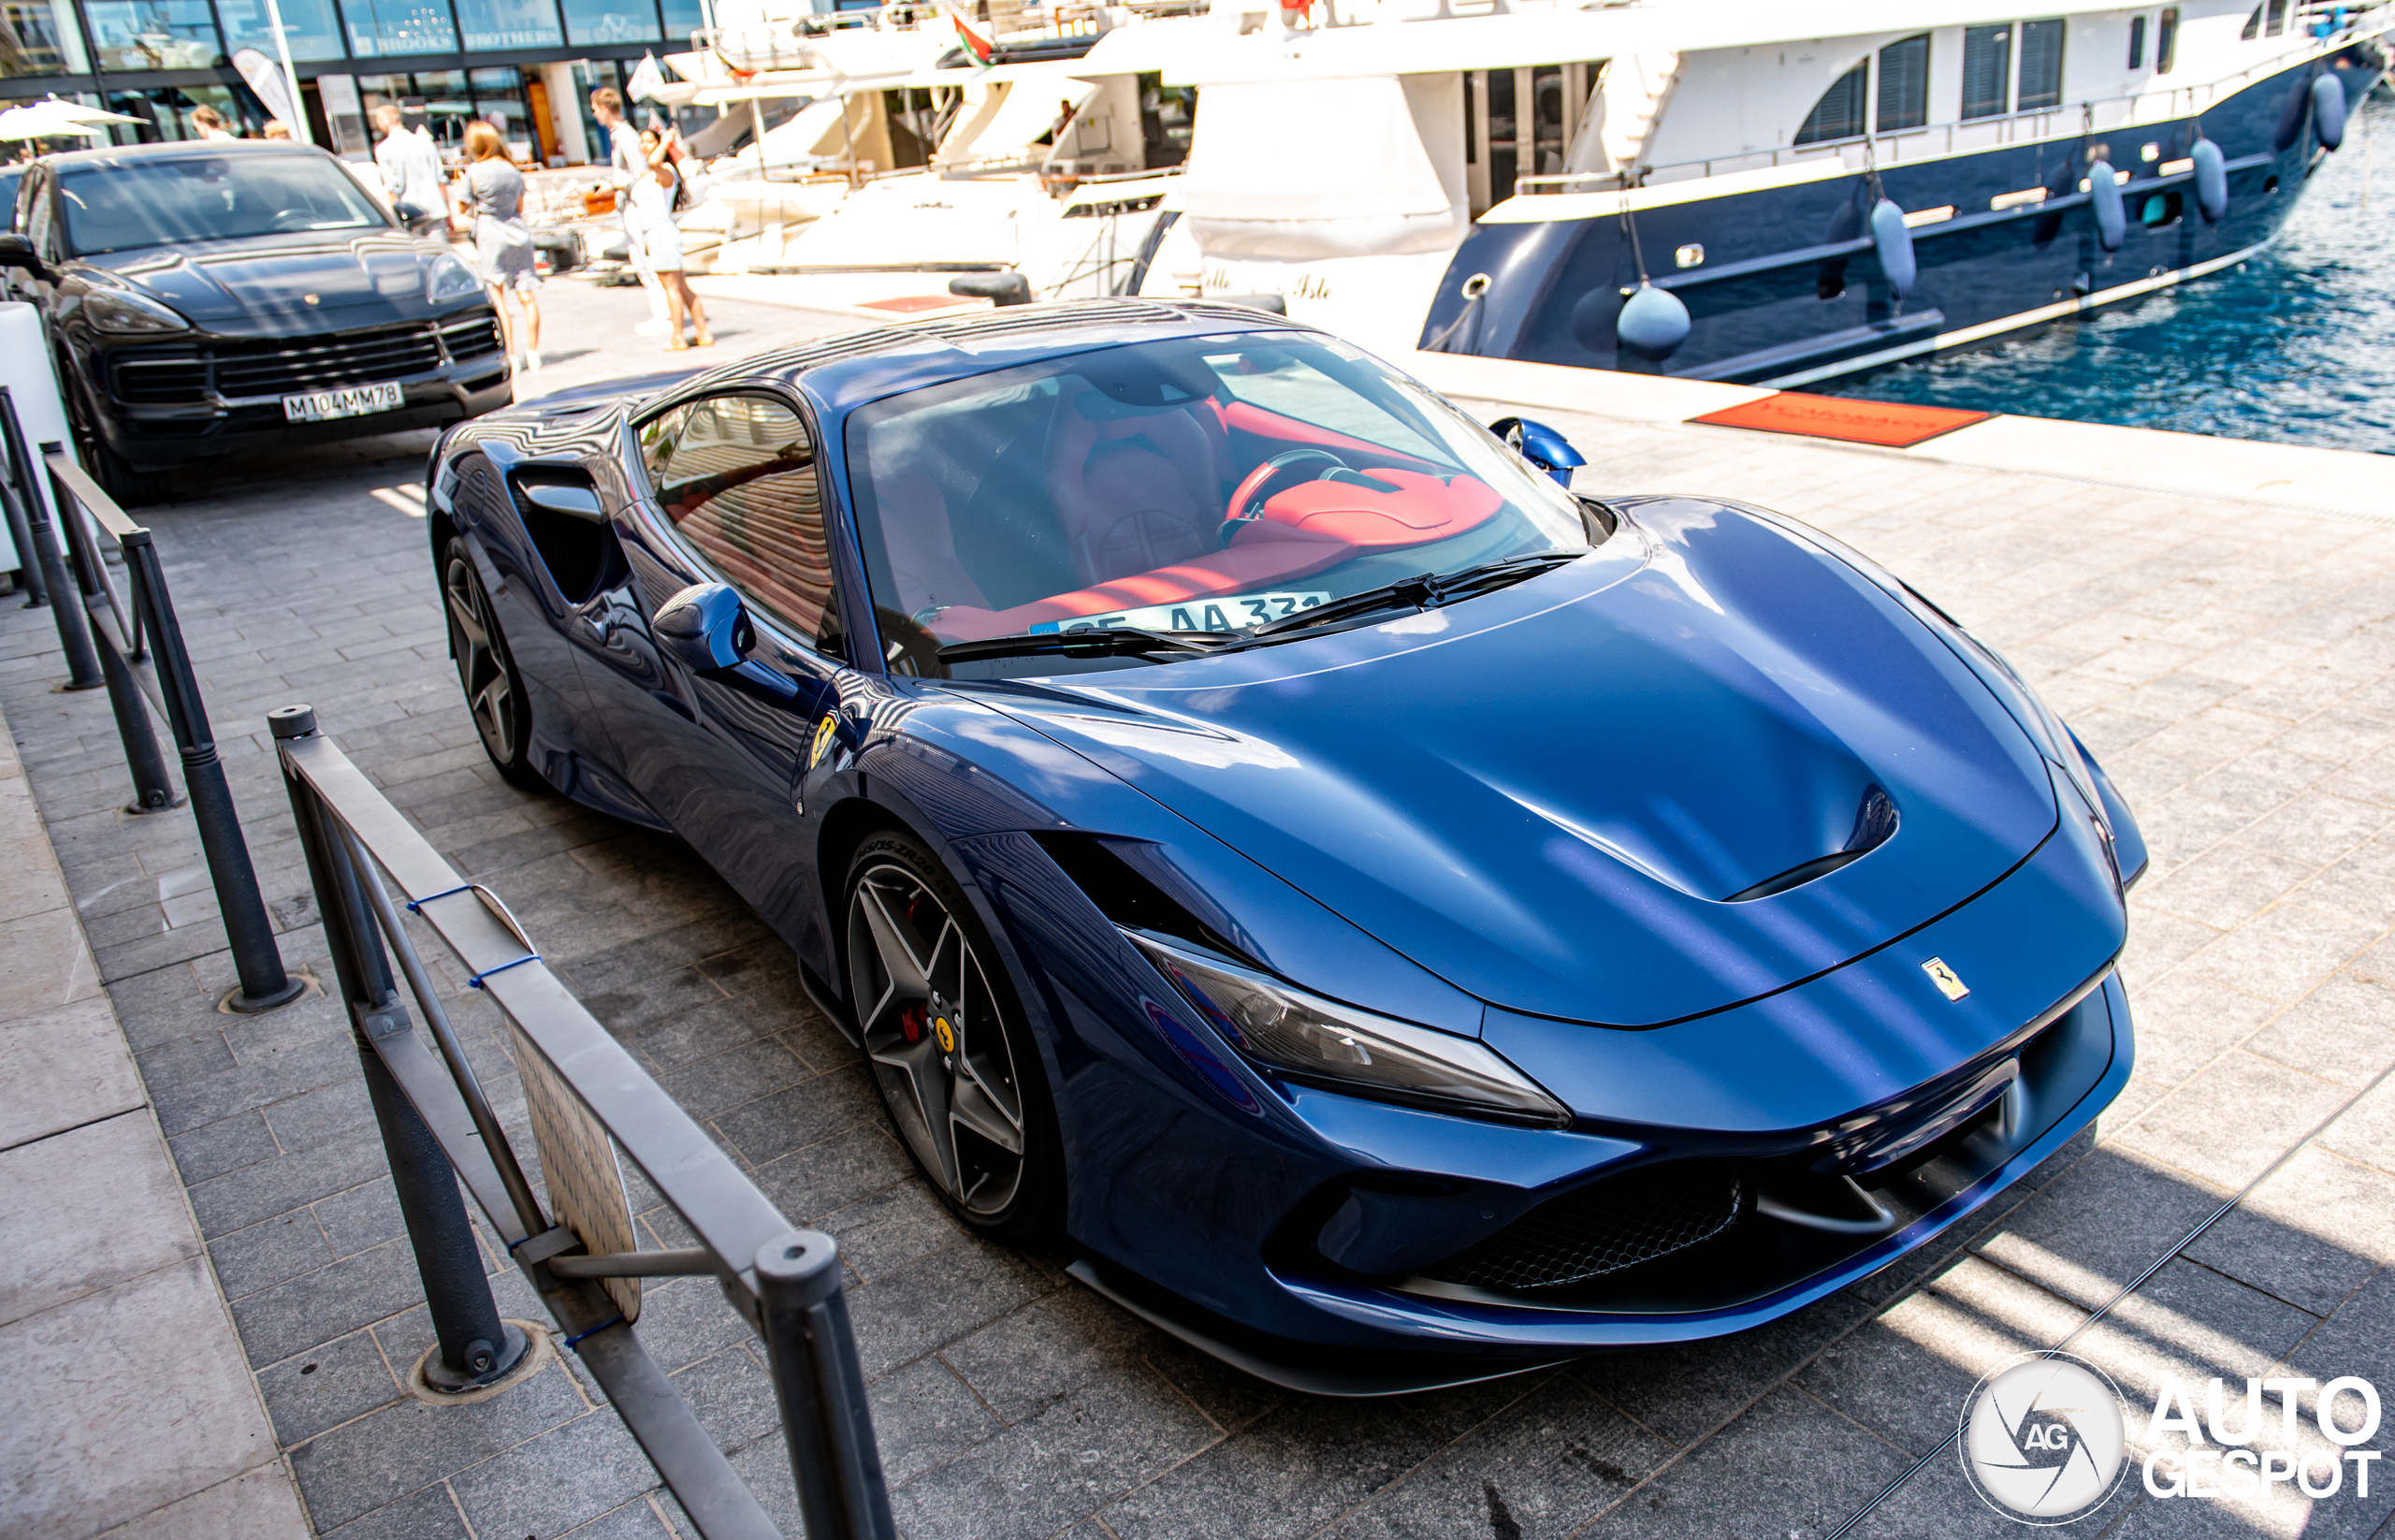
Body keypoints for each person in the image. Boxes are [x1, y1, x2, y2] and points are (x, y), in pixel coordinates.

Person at [588, 86, 669, 337]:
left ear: (604, 109)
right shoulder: (620, 136)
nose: (594, 116)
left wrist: (612, 185)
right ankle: (661, 313)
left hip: (635, 207)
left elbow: (641, 176)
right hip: (630, 206)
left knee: (646, 263)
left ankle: (663, 315)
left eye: (594, 110)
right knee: (641, 262)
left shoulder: (625, 137)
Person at [462, 122, 541, 373]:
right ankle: (534, 352)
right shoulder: (513, 170)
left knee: (498, 300)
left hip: (490, 234)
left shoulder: (474, 171)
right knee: (527, 295)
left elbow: (463, 206)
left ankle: (511, 355)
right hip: (517, 232)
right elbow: (519, 208)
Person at [626, 127, 710, 351]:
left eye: (648, 142)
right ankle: (702, 332)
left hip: (661, 232)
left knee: (671, 287)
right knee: (680, 286)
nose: (643, 146)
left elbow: (654, 163)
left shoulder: (663, 171)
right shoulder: (650, 174)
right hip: (655, 233)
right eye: (641, 142)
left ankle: (678, 337)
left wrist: (665, 142)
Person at [372, 104, 444, 237]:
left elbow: (392, 188)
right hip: (435, 209)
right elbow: (441, 180)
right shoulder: (425, 142)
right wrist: (448, 214)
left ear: (384, 122)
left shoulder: (383, 149)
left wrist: (395, 220)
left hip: (410, 215)